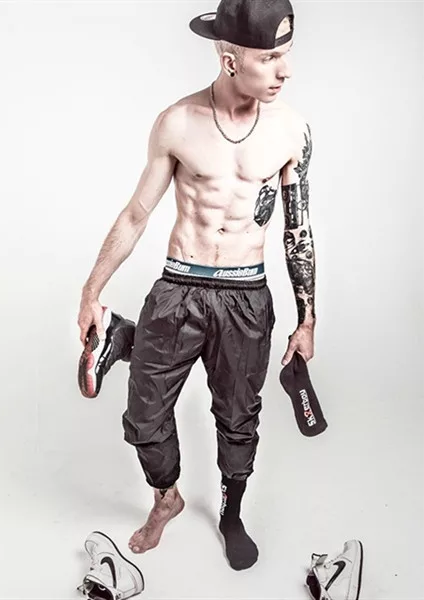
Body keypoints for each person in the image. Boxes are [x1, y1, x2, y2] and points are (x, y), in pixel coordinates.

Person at [77, 0, 316, 572]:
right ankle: (167, 498)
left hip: (246, 298)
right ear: (230, 60)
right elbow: (137, 213)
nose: (285, 71)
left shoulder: (291, 131)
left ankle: (231, 514)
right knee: (143, 418)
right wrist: (91, 291)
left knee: (238, 419)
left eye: (286, 55)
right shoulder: (178, 122)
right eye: (270, 59)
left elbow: (298, 229)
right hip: (179, 287)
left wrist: (307, 319)